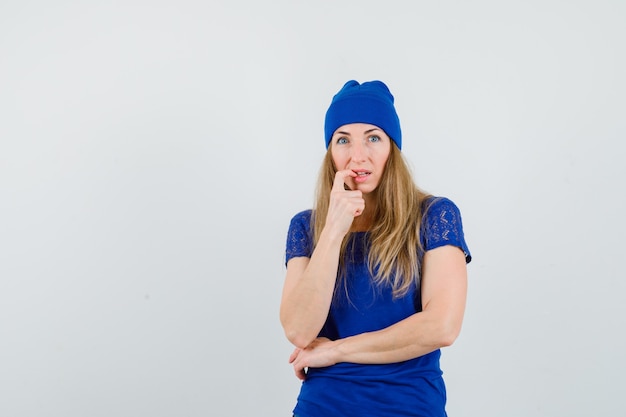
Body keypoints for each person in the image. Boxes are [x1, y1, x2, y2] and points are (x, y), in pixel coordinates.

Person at [280, 80, 472, 417]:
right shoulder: (306, 227)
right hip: (323, 405)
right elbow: (299, 329)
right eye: (343, 140)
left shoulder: (435, 216)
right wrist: (334, 230)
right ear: (330, 152)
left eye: (373, 137)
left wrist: (336, 351)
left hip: (408, 404)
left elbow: (442, 326)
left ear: (391, 148)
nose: (358, 156)